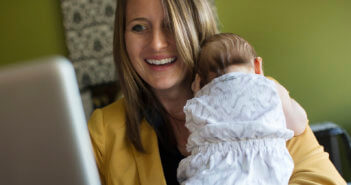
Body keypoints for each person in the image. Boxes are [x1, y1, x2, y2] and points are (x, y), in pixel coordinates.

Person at [87, 0, 347, 184]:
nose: (156, 43)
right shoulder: (103, 130)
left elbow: (323, 180)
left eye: (171, 24)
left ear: (197, 26)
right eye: (139, 27)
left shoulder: (260, 96)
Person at [177, 33, 306, 185]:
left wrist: (198, 94)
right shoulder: (271, 88)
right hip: (265, 169)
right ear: (257, 66)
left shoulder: (198, 101)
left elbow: (191, 144)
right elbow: (299, 125)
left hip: (212, 170)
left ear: (199, 80)